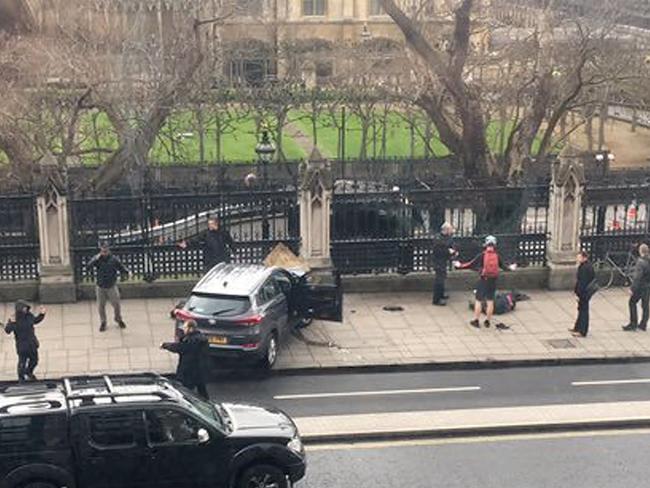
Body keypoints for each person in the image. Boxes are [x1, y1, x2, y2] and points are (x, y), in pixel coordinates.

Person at [455, 235, 516, 329]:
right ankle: (487, 321)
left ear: (486, 244)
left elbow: (471, 264)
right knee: (490, 301)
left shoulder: (482, 255)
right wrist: (511, 268)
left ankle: (476, 320)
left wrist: (460, 265)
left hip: (484, 279)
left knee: (478, 300)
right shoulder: (497, 256)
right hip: (493, 280)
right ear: (495, 245)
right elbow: (504, 267)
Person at [86, 242, 130, 332]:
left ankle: (118, 319)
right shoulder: (97, 260)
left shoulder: (114, 260)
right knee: (101, 306)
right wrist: (95, 259)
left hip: (111, 286)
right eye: (103, 251)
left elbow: (121, 268)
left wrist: (127, 272)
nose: (104, 252)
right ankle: (103, 321)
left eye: (106, 250)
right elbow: (88, 266)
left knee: (116, 304)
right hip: (100, 286)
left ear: (108, 250)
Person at [161, 320, 209, 399]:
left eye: (185, 327)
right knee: (202, 390)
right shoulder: (201, 338)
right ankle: (207, 404)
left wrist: (165, 345)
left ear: (191, 328)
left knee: (186, 392)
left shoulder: (191, 340)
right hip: (199, 369)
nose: (184, 329)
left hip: (189, 371)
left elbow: (180, 347)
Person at [4, 300, 46, 382]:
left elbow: (35, 321)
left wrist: (42, 314)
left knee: (34, 360)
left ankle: (29, 372)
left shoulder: (29, 316)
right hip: (22, 346)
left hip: (32, 343)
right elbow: (7, 330)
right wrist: (11, 323)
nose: (25, 310)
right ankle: (21, 377)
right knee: (22, 363)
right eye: (23, 308)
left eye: (26, 308)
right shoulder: (14, 319)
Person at [623, 243, 650, 332]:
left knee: (632, 302)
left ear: (640, 251)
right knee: (645, 305)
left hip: (640, 287)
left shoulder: (640, 262)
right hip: (648, 286)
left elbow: (637, 277)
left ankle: (633, 323)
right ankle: (643, 324)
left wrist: (632, 288)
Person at [432, 222, 457, 306]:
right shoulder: (438, 238)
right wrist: (448, 251)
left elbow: (451, 245)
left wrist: (454, 252)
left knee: (442, 278)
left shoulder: (448, 237)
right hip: (438, 261)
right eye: (450, 229)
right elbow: (438, 250)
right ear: (445, 230)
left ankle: (441, 295)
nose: (451, 231)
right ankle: (436, 299)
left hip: (443, 261)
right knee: (439, 280)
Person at [572, 251, 596, 338]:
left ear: (584, 258)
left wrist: (578, 294)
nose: (577, 259)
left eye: (579, 257)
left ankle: (582, 331)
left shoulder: (584, 268)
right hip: (586, 292)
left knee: (583, 311)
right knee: (581, 309)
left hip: (584, 293)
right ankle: (577, 327)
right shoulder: (587, 266)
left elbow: (582, 282)